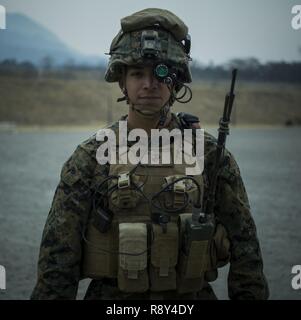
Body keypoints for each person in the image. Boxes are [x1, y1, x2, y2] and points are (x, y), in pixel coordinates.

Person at [31, 8, 269, 300]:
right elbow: (58, 257)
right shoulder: (92, 156)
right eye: (136, 73)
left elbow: (246, 249)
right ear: (122, 81)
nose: (149, 84)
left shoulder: (209, 153)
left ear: (176, 81)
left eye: (161, 72)